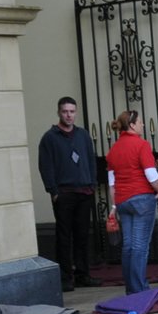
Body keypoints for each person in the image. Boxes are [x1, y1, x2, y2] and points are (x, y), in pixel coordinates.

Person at [38, 96, 102, 293]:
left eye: (72, 111)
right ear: (59, 112)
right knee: (64, 236)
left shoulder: (83, 135)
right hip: (64, 193)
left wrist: (92, 184)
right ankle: (66, 277)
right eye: (65, 111)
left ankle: (83, 274)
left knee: (82, 235)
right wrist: (53, 191)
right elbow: (45, 166)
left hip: (84, 191)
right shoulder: (50, 137)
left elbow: (91, 161)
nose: (69, 115)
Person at [104, 110, 158, 294]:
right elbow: (151, 175)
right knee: (140, 246)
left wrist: (114, 206)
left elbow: (112, 184)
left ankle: (131, 289)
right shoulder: (141, 145)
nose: (143, 125)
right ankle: (139, 289)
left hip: (123, 201)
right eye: (140, 122)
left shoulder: (113, 150)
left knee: (128, 245)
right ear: (132, 125)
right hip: (142, 199)